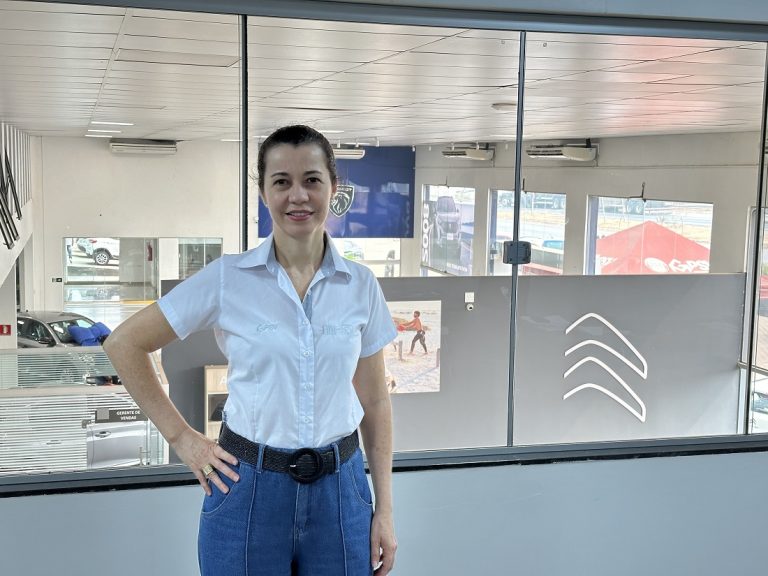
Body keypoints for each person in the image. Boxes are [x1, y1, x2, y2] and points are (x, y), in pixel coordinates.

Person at [104, 125, 398, 576]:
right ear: (263, 193)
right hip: (248, 490)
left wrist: (386, 509)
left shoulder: (360, 285)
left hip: (341, 493)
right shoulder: (229, 279)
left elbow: (375, 402)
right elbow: (124, 343)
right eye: (281, 182)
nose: (297, 196)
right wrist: (182, 439)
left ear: (333, 188)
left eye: (312, 180)